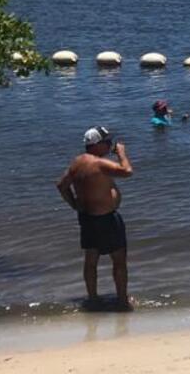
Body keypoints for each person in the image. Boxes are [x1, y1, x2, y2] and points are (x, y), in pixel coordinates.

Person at [56, 126, 134, 310]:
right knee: (119, 260)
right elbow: (128, 171)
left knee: (91, 261)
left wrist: (75, 204)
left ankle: (93, 300)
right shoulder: (99, 164)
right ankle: (122, 301)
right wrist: (121, 153)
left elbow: (61, 185)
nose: (109, 145)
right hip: (106, 219)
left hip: (88, 219)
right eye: (107, 142)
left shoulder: (77, 162)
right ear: (96, 145)